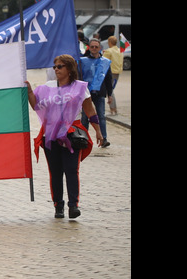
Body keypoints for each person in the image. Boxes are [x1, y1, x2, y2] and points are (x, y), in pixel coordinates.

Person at [26, 54, 103, 219]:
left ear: (69, 69)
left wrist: (98, 131)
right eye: (55, 67)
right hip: (51, 135)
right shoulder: (48, 86)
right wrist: (30, 91)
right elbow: (36, 106)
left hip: (71, 135)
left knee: (71, 170)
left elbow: (90, 111)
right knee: (55, 172)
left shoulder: (80, 88)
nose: (56, 69)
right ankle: (58, 206)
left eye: (60, 66)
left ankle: (73, 205)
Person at [80, 39, 113, 148]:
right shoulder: (83, 61)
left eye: (96, 47)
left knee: (101, 116)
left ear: (99, 48)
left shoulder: (105, 62)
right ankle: (84, 138)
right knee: (85, 117)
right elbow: (79, 77)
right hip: (86, 93)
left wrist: (110, 94)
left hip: (99, 93)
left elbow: (108, 79)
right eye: (92, 46)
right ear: (89, 47)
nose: (94, 48)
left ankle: (104, 138)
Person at [102, 35, 123, 115]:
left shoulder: (108, 51)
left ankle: (113, 109)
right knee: (111, 89)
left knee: (109, 90)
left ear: (110, 42)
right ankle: (114, 109)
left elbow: (103, 61)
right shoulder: (119, 50)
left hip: (110, 72)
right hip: (117, 72)